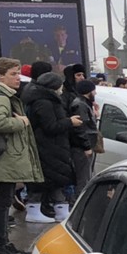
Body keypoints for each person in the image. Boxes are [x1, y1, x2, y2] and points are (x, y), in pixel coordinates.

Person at [0, 57, 45, 254]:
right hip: (3, 160)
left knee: (3, 202)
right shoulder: (1, 97)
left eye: (18, 73)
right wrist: (21, 121)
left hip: (6, 160)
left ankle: (3, 243)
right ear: (0, 76)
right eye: (13, 74)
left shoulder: (7, 95)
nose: (18, 78)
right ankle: (0, 245)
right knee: (1, 204)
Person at [23, 71, 80, 223]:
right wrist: (70, 122)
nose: (62, 88)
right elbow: (50, 126)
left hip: (53, 147)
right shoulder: (44, 102)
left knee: (55, 179)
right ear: (54, 86)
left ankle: (61, 210)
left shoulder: (46, 100)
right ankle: (34, 210)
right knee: (45, 179)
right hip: (47, 147)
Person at [68, 79, 98, 194]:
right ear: (88, 91)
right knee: (83, 178)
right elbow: (80, 128)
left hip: (86, 145)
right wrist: (86, 146)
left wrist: (96, 115)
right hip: (82, 147)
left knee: (87, 176)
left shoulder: (84, 104)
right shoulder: (80, 105)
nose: (95, 93)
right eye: (93, 90)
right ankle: (80, 204)